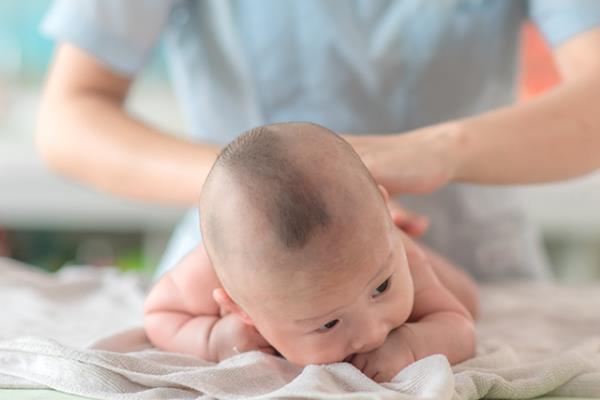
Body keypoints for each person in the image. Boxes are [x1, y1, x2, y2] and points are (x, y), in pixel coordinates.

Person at [37, 1, 600, 282]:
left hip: (473, 268)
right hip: (239, 270)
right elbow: (70, 116)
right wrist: (263, 182)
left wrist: (435, 151)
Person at [144, 122, 478, 382]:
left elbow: (459, 325)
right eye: (329, 323)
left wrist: (412, 344)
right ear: (240, 308)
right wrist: (213, 338)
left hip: (386, 237)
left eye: (381, 288)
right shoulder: (211, 272)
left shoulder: (387, 249)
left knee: (465, 295)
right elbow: (159, 315)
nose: (373, 333)